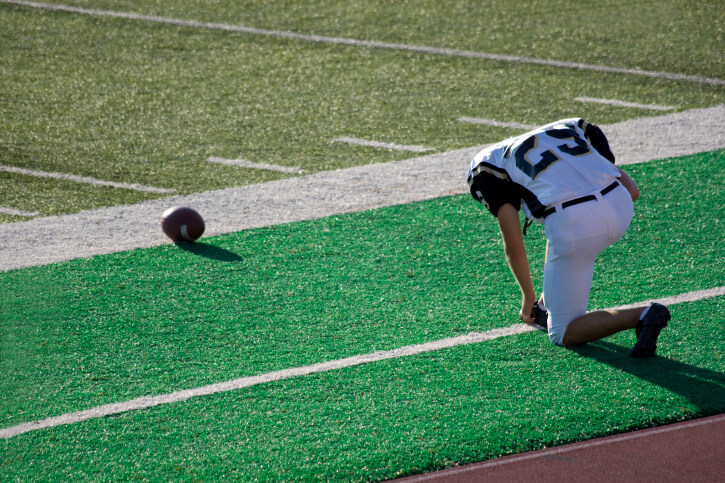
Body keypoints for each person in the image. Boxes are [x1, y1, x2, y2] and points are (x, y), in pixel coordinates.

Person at [467, 118, 670, 357]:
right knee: (555, 223)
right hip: (621, 206)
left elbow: (513, 246)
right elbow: (632, 191)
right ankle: (547, 303)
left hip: (575, 225)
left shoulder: (484, 167)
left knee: (563, 332)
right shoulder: (572, 126)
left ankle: (643, 314)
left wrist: (527, 298)